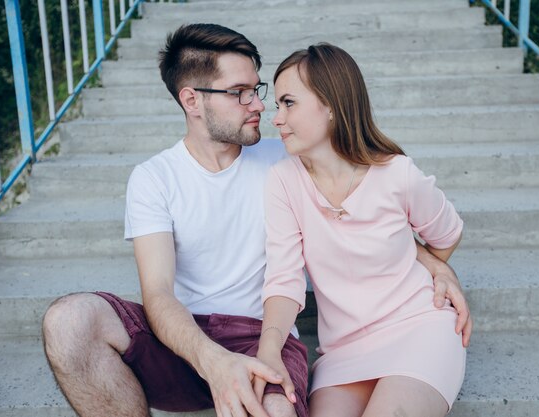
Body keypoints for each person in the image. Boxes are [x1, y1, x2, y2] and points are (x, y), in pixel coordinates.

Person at [41, 24, 471, 417]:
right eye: (240, 92)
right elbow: (157, 296)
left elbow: (368, 204)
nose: (261, 107)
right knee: (68, 320)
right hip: (185, 342)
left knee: (276, 412)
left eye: (258, 89)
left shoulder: (288, 157)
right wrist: (214, 362)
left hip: (262, 334)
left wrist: (431, 261)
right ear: (192, 99)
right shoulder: (154, 178)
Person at [258, 43, 468, 417]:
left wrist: (435, 266)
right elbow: (284, 278)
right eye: (277, 105)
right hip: (343, 351)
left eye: (289, 103)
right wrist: (270, 346)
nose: (276, 118)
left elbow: (447, 235)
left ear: (332, 106)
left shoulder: (398, 174)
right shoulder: (283, 181)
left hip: (418, 329)